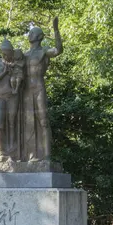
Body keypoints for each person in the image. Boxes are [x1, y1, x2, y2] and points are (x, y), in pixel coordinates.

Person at [21, 17, 63, 162]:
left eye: (32, 33)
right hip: (26, 90)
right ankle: (31, 156)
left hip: (38, 87)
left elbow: (58, 50)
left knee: (43, 120)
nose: (29, 35)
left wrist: (56, 30)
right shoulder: (24, 55)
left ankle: (46, 156)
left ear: (39, 36)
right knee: (28, 122)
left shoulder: (44, 51)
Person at [0, 39, 21, 161]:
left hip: (12, 96)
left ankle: (13, 153)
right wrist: (4, 72)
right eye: (4, 53)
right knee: (0, 125)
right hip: (0, 96)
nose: (6, 55)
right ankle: (2, 153)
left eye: (8, 53)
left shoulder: (16, 63)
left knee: (12, 123)